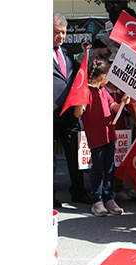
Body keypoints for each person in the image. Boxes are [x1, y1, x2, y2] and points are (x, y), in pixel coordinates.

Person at [74, 58, 128, 217]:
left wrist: (123, 102)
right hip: (96, 137)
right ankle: (97, 200)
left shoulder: (104, 91)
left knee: (110, 168)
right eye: (107, 75)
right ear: (101, 76)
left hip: (109, 135)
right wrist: (78, 101)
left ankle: (109, 198)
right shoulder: (87, 92)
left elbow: (114, 108)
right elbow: (78, 113)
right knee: (98, 169)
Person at [53, 12, 88, 206]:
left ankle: (79, 191)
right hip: (50, 114)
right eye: (56, 32)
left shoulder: (67, 52)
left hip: (69, 113)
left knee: (75, 154)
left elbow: (77, 76)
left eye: (63, 32)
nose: (61, 36)